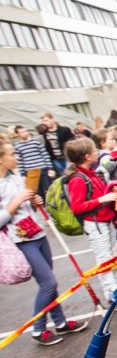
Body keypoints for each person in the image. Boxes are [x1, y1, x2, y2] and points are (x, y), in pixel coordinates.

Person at [0, 142, 88, 345]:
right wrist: (18, 201)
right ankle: (38, 329)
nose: (17, 156)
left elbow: (25, 207)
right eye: (13, 153)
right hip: (19, 239)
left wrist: (32, 201)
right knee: (49, 283)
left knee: (48, 282)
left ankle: (60, 322)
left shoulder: (16, 178)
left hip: (36, 233)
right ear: (1, 158)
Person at [63, 138, 117, 304]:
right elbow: (77, 207)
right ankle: (112, 293)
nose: (97, 152)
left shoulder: (90, 174)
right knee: (104, 258)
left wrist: (111, 189)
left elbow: (98, 192)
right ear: (87, 156)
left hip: (104, 221)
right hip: (96, 224)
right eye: (94, 150)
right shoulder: (78, 179)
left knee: (113, 254)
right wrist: (103, 199)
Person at [12, 126, 55, 194]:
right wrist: (23, 174)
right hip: (30, 172)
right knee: (37, 192)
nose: (25, 133)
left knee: (50, 189)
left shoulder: (35, 141)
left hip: (42, 168)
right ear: (17, 134)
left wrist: (50, 168)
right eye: (22, 132)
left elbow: (45, 154)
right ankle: (42, 204)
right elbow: (20, 162)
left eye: (26, 131)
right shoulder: (17, 146)